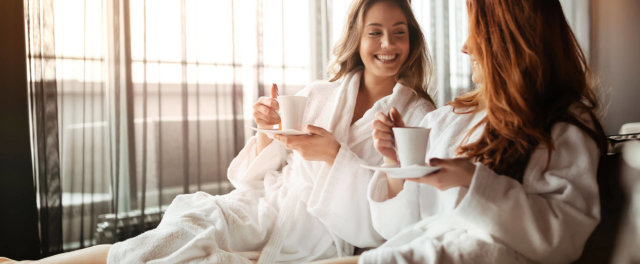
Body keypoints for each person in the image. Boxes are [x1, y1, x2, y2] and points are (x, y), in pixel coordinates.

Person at [0, 0, 435, 263]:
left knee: (191, 247)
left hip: (320, 231)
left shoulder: (416, 113)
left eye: (399, 34)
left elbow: (395, 217)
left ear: (411, 40)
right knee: (189, 225)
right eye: (375, 32)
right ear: (358, 39)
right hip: (264, 206)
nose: (387, 45)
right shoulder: (322, 92)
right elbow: (249, 176)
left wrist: (333, 156)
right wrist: (266, 130)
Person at [321, 0, 607, 263]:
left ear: (516, 38)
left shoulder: (561, 124)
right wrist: (396, 162)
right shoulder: (447, 119)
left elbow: (562, 238)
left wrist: (473, 181)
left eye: (478, 34)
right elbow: (397, 229)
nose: (466, 47)